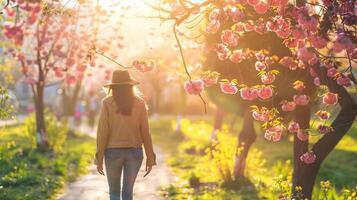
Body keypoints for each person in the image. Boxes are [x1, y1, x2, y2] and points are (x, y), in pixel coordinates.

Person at [96, 70, 156, 200]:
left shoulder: (107, 103)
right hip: (134, 153)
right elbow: (145, 132)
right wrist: (150, 157)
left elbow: (103, 132)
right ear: (130, 86)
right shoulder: (139, 103)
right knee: (128, 192)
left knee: (114, 193)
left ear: (113, 87)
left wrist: (99, 157)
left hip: (112, 153)